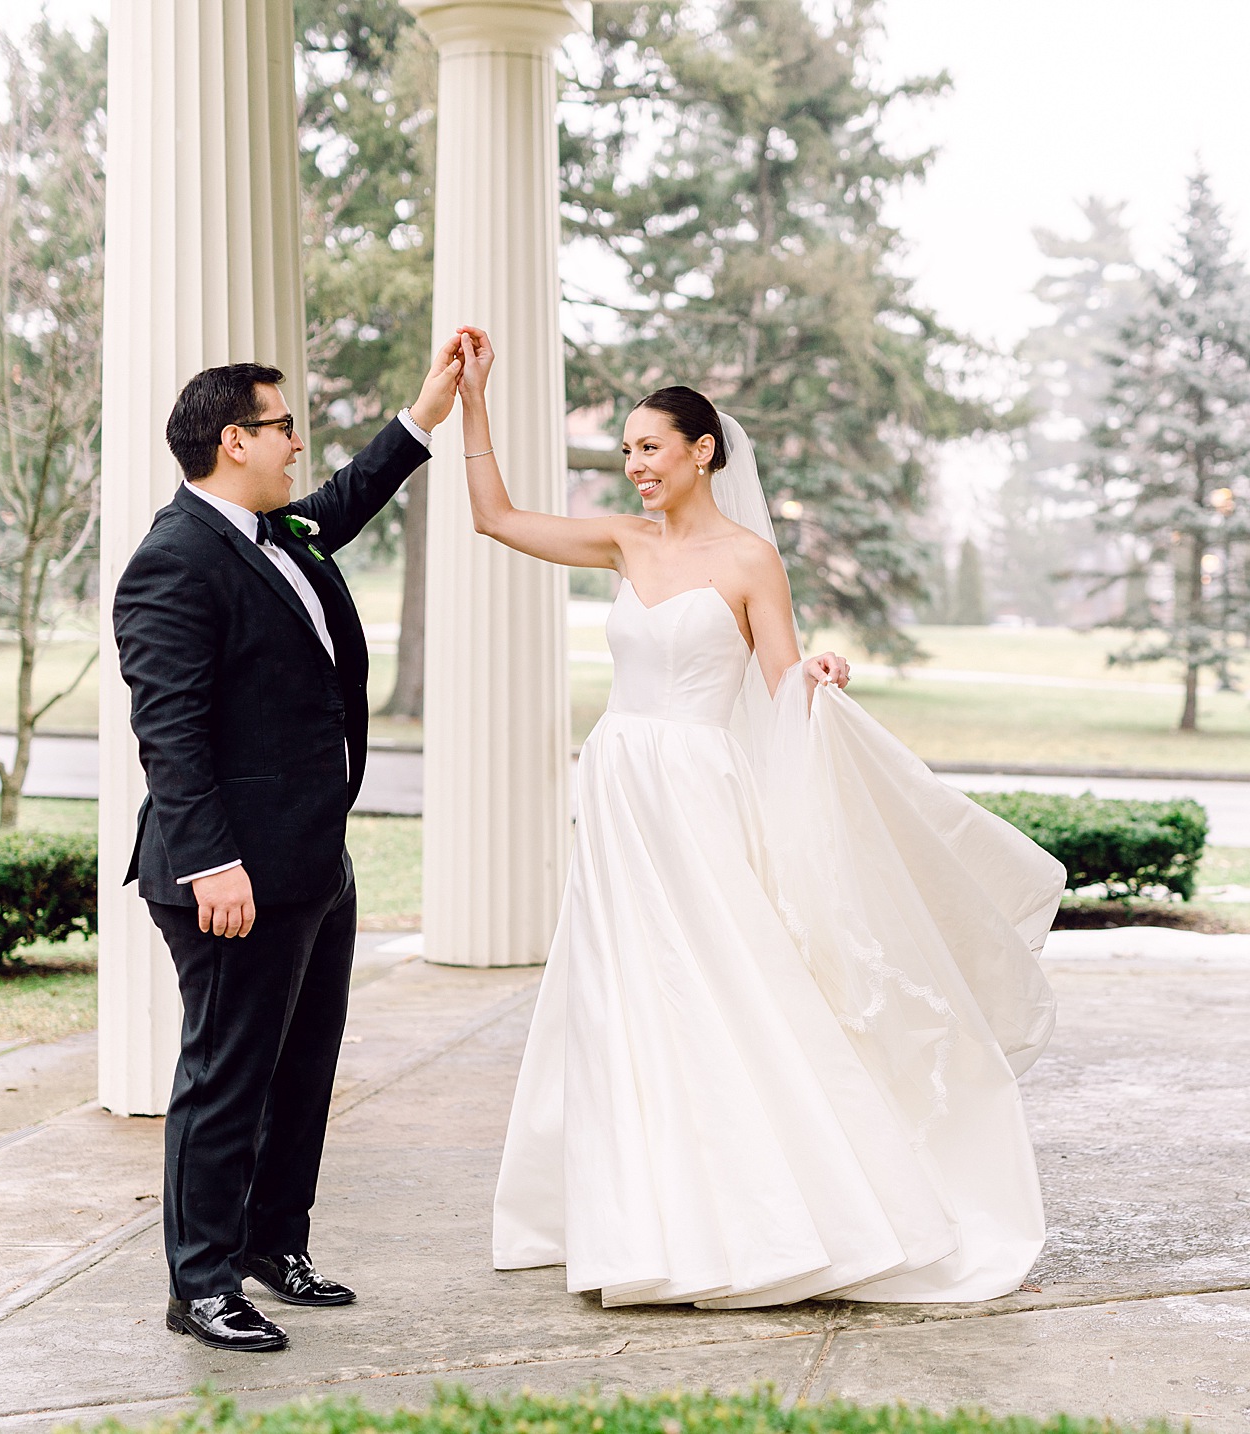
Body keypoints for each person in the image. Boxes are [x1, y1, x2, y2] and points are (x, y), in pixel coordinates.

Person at [452, 325, 1067, 1307]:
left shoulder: (748, 560)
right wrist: (474, 401)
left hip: (697, 789)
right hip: (618, 785)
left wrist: (816, 673)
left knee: (719, 978)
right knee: (621, 991)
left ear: (702, 451)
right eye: (626, 451)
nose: (634, 465)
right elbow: (492, 517)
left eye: (649, 447)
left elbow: (781, 683)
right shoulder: (620, 538)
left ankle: (779, 1211)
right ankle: (634, 1222)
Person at [112, 345, 463, 1352]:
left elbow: (349, 497)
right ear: (235, 440)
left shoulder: (279, 532)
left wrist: (425, 413)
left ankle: (275, 1244)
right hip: (231, 875)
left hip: (312, 858)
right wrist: (214, 862)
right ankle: (202, 1283)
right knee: (225, 1077)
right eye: (281, 426)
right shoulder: (175, 559)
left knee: (300, 1068)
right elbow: (169, 730)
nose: (295, 442)